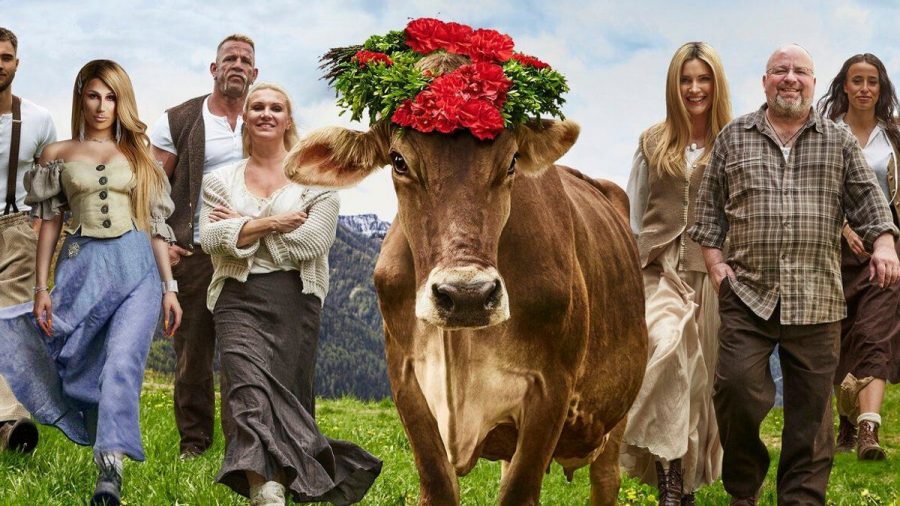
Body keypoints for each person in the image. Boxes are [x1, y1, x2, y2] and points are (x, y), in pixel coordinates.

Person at [688, 44, 900, 505]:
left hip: (818, 297)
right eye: (779, 71)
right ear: (764, 81)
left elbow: (869, 200)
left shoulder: (838, 140)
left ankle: (801, 497)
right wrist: (716, 264)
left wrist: (884, 243)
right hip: (747, 293)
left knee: (810, 414)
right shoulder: (733, 137)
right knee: (737, 391)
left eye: (800, 71)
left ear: (813, 81)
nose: (790, 78)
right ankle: (744, 488)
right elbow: (707, 214)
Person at [0, 59, 182, 506]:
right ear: (81, 98)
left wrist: (169, 287)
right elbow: (48, 223)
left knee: (122, 363)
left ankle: (110, 471)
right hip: (83, 267)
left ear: (122, 102)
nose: (102, 106)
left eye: (111, 97)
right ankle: (51, 422)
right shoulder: (57, 154)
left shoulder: (141, 156)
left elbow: (156, 224)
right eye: (94, 96)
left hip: (137, 265)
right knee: (81, 362)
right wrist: (41, 288)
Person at [200, 82, 381, 505]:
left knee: (286, 397)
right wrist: (273, 223)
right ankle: (265, 489)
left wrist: (243, 224)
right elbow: (210, 238)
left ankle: (296, 472)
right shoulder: (219, 180)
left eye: (275, 107)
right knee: (244, 391)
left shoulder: (319, 184)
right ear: (245, 117)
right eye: (257, 106)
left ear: (288, 119)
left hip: (295, 298)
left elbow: (312, 243)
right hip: (236, 295)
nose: (265, 113)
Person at [622, 41, 731, 505]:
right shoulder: (652, 140)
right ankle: (668, 479)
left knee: (700, 385)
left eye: (703, 78)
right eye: (685, 79)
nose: (694, 88)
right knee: (666, 351)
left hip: (711, 274)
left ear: (716, 83)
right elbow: (633, 209)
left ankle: (683, 484)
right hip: (659, 270)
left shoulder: (736, 140)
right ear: (673, 85)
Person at [149, 33, 257, 457]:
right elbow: (151, 191)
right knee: (193, 354)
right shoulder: (178, 120)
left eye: (245, 60)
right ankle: (194, 442)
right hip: (194, 254)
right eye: (228, 58)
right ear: (214, 69)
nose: (236, 64)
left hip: (247, 253)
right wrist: (162, 243)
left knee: (241, 353)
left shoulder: (263, 117)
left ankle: (242, 442)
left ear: (254, 72)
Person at [818, 53, 900, 461]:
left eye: (873, 81)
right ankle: (847, 424)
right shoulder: (826, 134)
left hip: (886, 252)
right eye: (857, 80)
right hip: (834, 250)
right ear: (845, 86)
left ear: (881, 88)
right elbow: (816, 193)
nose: (865, 88)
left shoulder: (895, 138)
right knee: (840, 338)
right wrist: (842, 229)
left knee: (875, 334)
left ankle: (868, 427)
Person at [0, 26, 56, 454]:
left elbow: (48, 187)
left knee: (11, 328)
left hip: (14, 229)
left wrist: (36, 232)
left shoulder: (38, 119)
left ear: (16, 64)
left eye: (4, 57)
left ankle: (11, 420)